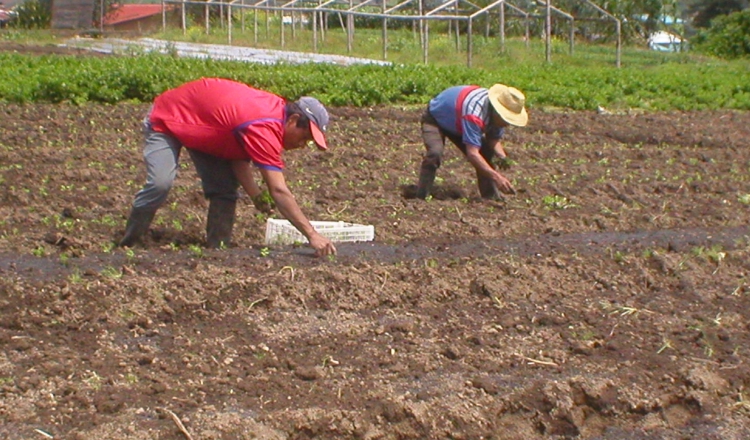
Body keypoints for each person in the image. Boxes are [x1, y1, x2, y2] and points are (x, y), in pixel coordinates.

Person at [120, 77, 336, 257]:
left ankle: (217, 252)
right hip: (167, 119)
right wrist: (311, 234)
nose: (301, 145)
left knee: (224, 189)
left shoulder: (270, 117)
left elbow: (237, 157)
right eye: (304, 137)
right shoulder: (263, 126)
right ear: (293, 120)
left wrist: (256, 196)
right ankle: (129, 244)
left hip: (206, 130)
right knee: (160, 182)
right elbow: (278, 190)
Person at [415, 83, 528, 200]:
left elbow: (493, 140)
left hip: (458, 122)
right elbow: (473, 154)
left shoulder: (497, 115)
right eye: (506, 119)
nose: (507, 124)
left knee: (487, 152)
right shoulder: (474, 113)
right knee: (435, 153)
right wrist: (496, 177)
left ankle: (490, 197)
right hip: (435, 118)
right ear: (497, 111)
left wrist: (502, 157)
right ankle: (421, 197)